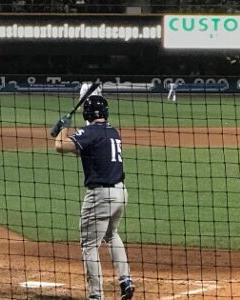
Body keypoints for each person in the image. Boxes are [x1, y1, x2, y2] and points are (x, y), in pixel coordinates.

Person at [52, 95, 135, 300]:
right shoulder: (113, 132)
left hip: (101, 196)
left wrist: (63, 127)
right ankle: (126, 280)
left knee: (89, 245)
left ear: (88, 114)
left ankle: (96, 296)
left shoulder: (89, 132)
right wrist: (62, 133)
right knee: (111, 235)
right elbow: (85, 151)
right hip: (120, 194)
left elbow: (60, 147)